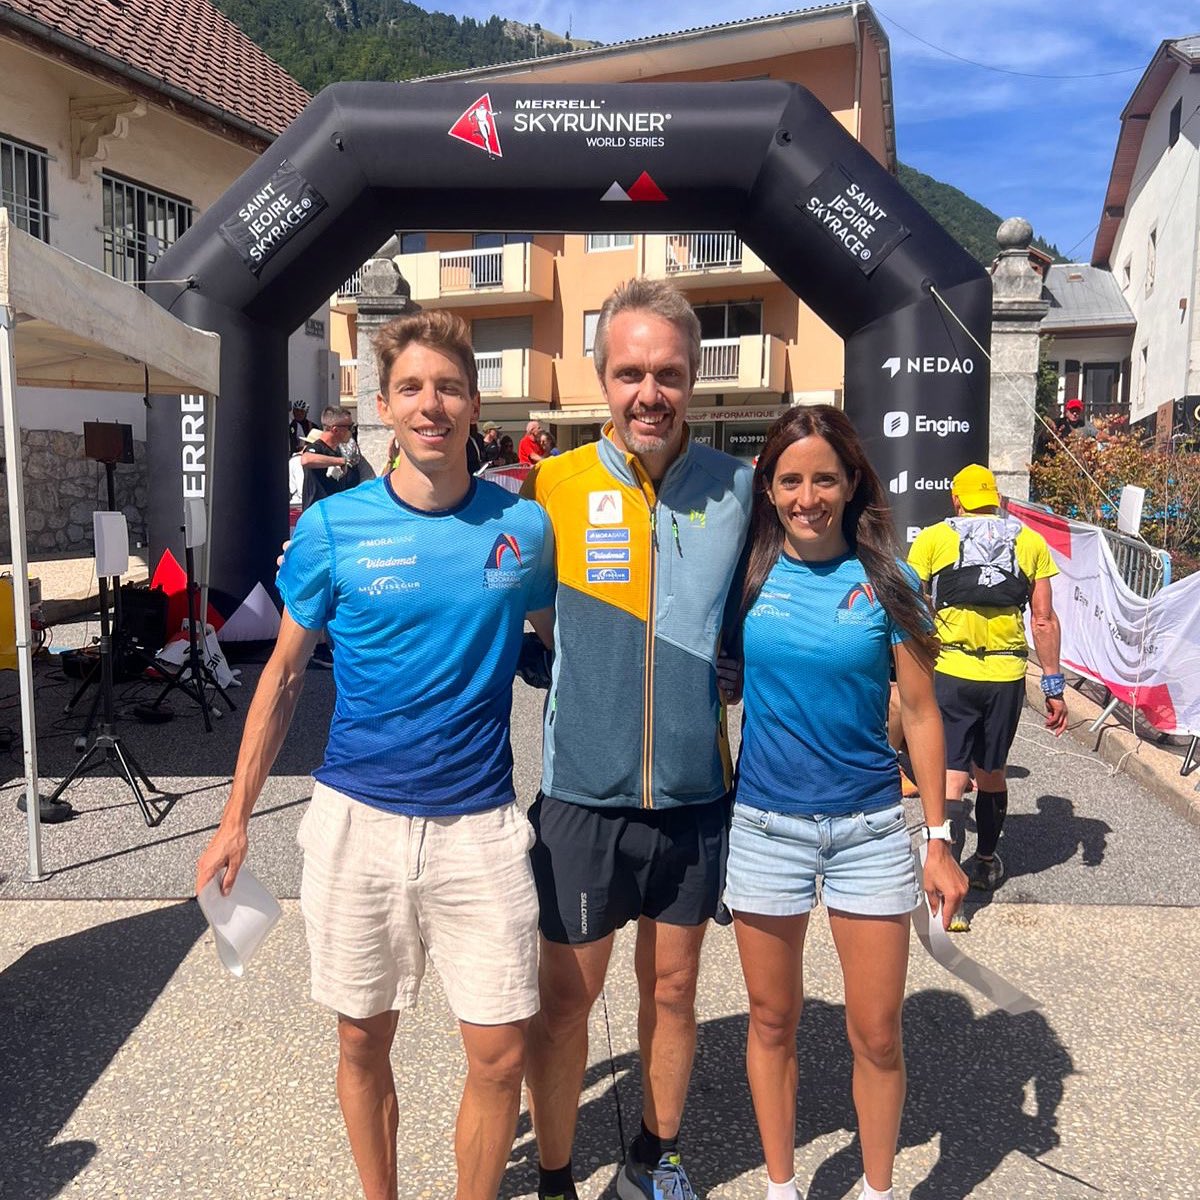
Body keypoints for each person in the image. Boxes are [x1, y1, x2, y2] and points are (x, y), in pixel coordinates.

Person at [195, 310, 556, 1200]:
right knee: (362, 1038)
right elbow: (280, 679)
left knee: (502, 1050)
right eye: (410, 389)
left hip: (480, 826)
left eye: (448, 386)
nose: (431, 405)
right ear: (386, 407)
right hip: (358, 822)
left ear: (474, 402)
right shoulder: (331, 530)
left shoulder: (525, 530)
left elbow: (560, 652)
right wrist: (234, 817)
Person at [521, 278, 754, 1200]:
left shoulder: (739, 489)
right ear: (602, 378)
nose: (648, 392)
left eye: (667, 373)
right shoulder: (557, 482)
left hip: (696, 798)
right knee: (566, 1001)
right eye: (629, 373)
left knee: (673, 996)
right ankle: (553, 1177)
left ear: (694, 378)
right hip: (581, 792)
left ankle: (656, 1161)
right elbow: (526, 613)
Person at [720, 404, 967, 1200]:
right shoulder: (745, 577)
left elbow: (924, 714)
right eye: (790, 480)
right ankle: (782, 1186)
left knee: (877, 1034)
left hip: (866, 830)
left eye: (825, 477)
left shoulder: (887, 583)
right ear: (769, 487)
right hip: (764, 826)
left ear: (853, 481)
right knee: (771, 1022)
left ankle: (878, 1190)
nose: (808, 496)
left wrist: (937, 837)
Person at [907, 464, 1068, 930]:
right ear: (995, 499)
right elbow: (1043, 619)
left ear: (956, 501)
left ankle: (947, 881)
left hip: (952, 668)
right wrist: (1053, 686)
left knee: (953, 777)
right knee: (991, 773)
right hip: (1006, 673)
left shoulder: (934, 539)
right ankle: (986, 861)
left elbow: (914, 606)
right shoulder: (1030, 541)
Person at [300, 405, 361, 510]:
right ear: (335, 430)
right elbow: (306, 459)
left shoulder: (338, 451)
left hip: (335, 512)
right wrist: (339, 461)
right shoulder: (317, 448)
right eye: (349, 427)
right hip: (317, 514)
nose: (351, 432)